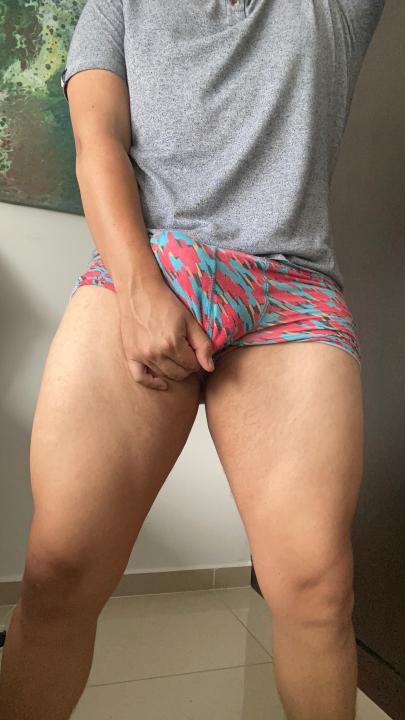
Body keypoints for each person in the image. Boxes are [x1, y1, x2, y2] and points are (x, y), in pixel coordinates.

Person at [0, 1, 386, 718]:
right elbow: (98, 140)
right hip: (151, 263)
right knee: (59, 572)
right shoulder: (117, 5)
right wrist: (140, 290)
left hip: (292, 286)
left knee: (318, 592)